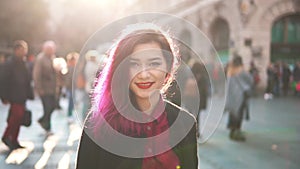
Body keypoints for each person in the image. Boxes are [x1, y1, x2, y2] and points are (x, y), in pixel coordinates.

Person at [76, 23, 198, 169]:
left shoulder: (185, 123)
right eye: (134, 64)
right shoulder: (98, 123)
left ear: (168, 68)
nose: (144, 74)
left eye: (154, 63)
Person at [0, 40, 34, 150]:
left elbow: (27, 80)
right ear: (16, 50)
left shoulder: (23, 62)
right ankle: (6, 137)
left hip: (21, 95)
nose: (24, 52)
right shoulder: (10, 63)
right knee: (15, 118)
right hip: (14, 95)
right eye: (22, 49)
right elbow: (3, 81)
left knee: (19, 118)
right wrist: (4, 96)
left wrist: (29, 93)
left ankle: (14, 139)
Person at [225, 55, 253, 141]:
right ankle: (237, 131)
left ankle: (232, 132)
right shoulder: (242, 71)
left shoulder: (230, 72)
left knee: (233, 114)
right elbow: (250, 80)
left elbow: (229, 86)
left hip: (232, 96)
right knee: (239, 114)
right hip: (241, 96)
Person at [33, 40, 57, 134]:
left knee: (53, 106)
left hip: (52, 88)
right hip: (44, 88)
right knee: (47, 107)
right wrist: (39, 88)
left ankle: (42, 120)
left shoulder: (52, 58)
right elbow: (36, 74)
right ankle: (47, 127)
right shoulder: (40, 59)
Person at [64, 52, 79, 123]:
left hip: (73, 87)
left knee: (73, 101)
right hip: (70, 87)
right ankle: (69, 115)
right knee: (71, 101)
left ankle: (71, 114)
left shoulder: (74, 67)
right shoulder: (68, 68)